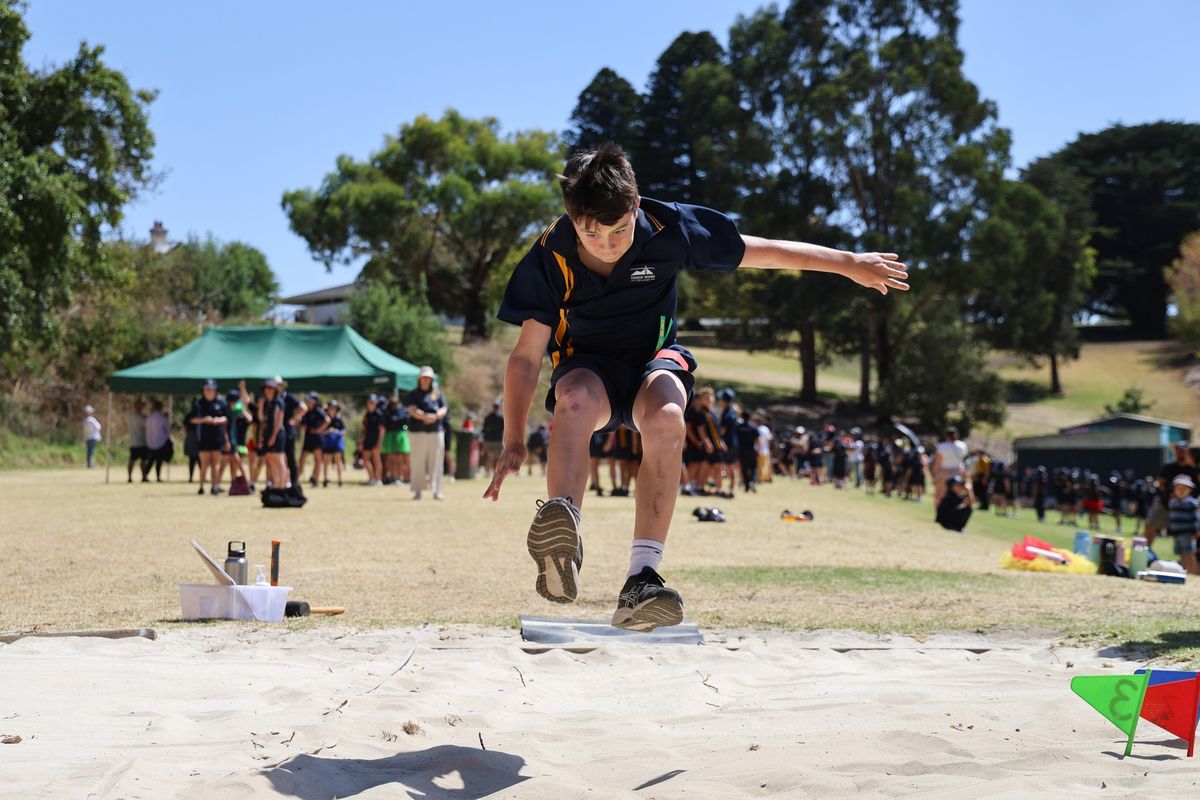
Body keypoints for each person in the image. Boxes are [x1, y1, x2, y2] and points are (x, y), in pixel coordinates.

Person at [482, 142, 908, 631]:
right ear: (571, 218)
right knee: (573, 401)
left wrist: (847, 262)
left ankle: (641, 580)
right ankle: (563, 540)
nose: (605, 244)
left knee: (666, 415)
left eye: (618, 231)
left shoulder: (669, 228)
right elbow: (525, 357)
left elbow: (759, 252)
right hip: (587, 367)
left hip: (652, 360)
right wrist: (514, 438)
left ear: (635, 206)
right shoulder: (548, 254)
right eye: (591, 233)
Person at [406, 366, 448, 500]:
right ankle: (418, 490)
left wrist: (435, 416)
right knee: (418, 461)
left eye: (428, 378)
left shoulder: (437, 393)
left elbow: (444, 408)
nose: (426, 380)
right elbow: (412, 410)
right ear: (420, 379)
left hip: (435, 431)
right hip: (418, 432)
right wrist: (424, 417)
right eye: (424, 377)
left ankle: (437, 491)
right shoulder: (413, 394)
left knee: (436, 462)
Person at [191, 380, 229, 495]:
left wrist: (217, 420)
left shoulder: (221, 402)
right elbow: (192, 419)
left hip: (217, 437)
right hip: (204, 437)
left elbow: (227, 418)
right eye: (206, 389)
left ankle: (215, 486)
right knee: (204, 463)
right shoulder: (199, 403)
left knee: (215, 464)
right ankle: (201, 486)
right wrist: (204, 420)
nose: (208, 391)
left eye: (211, 389)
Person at [257, 378, 288, 489]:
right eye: (266, 388)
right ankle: (276, 484)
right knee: (270, 460)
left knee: (279, 460)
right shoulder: (267, 403)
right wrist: (260, 405)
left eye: (271, 388)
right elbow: (261, 419)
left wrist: (274, 436)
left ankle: (283, 485)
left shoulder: (278, 402)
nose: (268, 390)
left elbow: (279, 422)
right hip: (267, 433)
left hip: (277, 434)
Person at [1166, 474, 1200, 575]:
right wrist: (1169, 530)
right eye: (1178, 488)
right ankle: (1185, 570)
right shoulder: (1173, 503)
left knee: (1189, 553)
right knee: (1181, 553)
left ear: (1190, 490)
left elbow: (1196, 518)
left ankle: (1193, 571)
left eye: (1184, 489)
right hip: (1177, 533)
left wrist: (1196, 530)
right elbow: (1171, 518)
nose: (1181, 491)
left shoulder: (1191, 503)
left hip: (1187, 533)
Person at [298, 391, 331, 487]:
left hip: (317, 439)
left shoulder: (318, 411)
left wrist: (319, 430)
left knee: (317, 460)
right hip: (308, 438)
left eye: (311, 401)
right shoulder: (306, 411)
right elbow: (302, 424)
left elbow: (327, 420)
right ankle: (296, 478)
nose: (309, 402)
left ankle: (315, 480)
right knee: (302, 459)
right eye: (308, 400)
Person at [931, 426, 968, 507]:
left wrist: (934, 474)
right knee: (957, 494)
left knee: (940, 494)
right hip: (958, 471)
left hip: (944, 471)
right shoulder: (962, 445)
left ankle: (940, 513)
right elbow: (963, 460)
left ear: (946, 436)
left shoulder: (942, 446)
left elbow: (937, 462)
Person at [359, 395, 385, 486]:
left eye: (373, 402)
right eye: (370, 402)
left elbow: (382, 429)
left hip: (376, 440)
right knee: (365, 460)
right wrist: (361, 441)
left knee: (377, 460)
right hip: (367, 440)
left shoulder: (379, 414)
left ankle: (378, 479)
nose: (371, 404)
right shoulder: (367, 415)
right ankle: (371, 478)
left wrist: (379, 442)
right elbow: (364, 429)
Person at [320, 399, 346, 487]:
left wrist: (336, 431)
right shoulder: (325, 419)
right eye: (330, 408)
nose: (332, 409)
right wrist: (327, 431)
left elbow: (344, 431)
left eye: (334, 408)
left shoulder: (339, 420)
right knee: (326, 462)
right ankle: (325, 480)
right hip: (327, 443)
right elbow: (320, 431)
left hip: (337, 443)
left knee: (338, 461)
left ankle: (340, 480)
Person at [144, 400, 172, 481]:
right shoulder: (162, 418)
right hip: (161, 442)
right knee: (159, 461)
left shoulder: (149, 418)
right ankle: (158, 477)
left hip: (150, 442)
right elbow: (168, 431)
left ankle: (145, 475)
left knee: (151, 461)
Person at [126, 399, 148, 482]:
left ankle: (130, 477)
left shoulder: (130, 416)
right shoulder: (141, 417)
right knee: (142, 460)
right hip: (141, 442)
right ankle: (143, 477)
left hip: (133, 442)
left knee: (133, 460)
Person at [482, 400, 505, 473]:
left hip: (495, 440)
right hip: (493, 440)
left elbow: (484, 429)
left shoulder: (489, 417)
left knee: (492, 457)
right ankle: (490, 471)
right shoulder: (496, 417)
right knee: (492, 457)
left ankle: (492, 471)